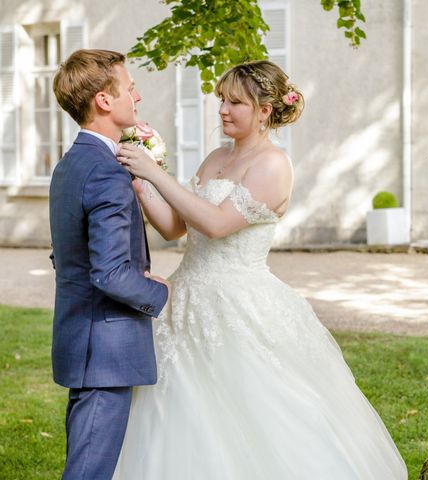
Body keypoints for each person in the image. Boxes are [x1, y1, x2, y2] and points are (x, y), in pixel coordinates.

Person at [114, 60, 407, 479]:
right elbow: (176, 227)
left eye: (236, 102)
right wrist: (142, 184)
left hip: (238, 302)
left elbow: (216, 224)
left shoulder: (272, 165)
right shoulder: (216, 157)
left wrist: (157, 176)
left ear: (265, 110)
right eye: (221, 101)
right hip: (184, 297)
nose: (223, 111)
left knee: (256, 411)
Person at [49, 49, 170, 479]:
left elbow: (65, 252)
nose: (136, 94)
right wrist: (161, 292)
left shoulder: (71, 164)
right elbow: (111, 273)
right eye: (129, 85)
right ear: (104, 100)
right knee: (88, 472)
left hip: (82, 340)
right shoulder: (105, 172)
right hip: (105, 351)